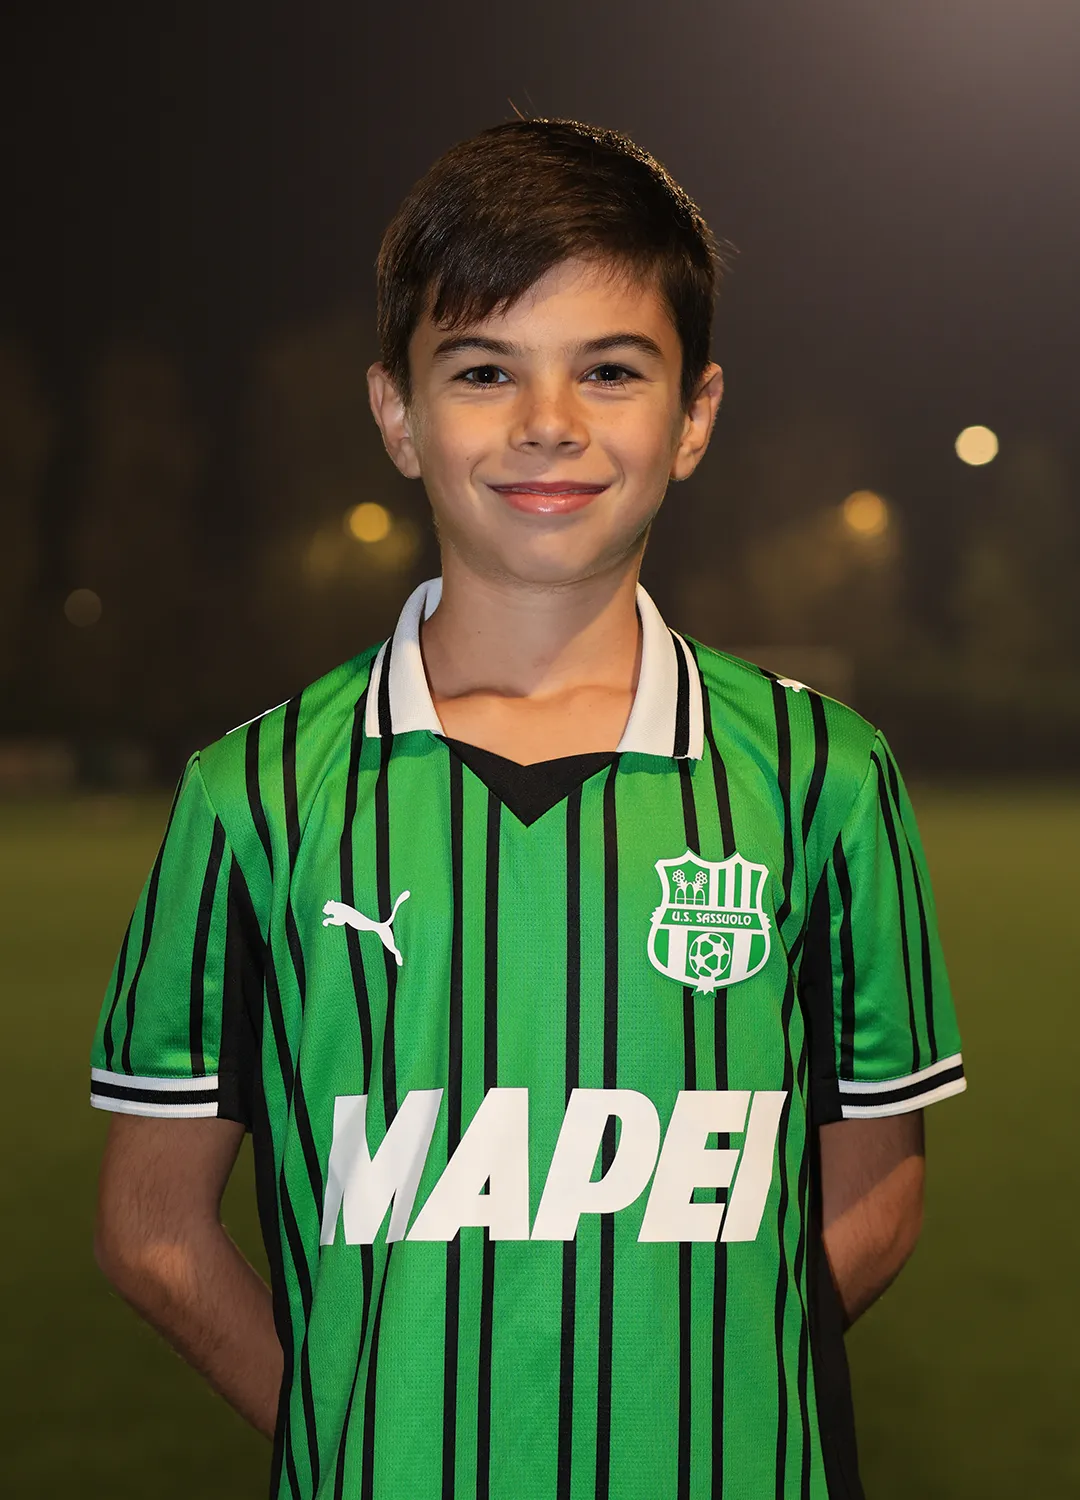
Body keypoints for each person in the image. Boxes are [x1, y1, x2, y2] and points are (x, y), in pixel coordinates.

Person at [89, 117, 966, 1500]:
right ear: (398, 413)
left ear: (694, 416)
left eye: (609, 370)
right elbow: (151, 1228)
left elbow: (878, 1189)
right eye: (484, 369)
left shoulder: (824, 777)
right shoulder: (254, 795)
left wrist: (687, 1405)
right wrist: (365, 1440)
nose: (548, 421)